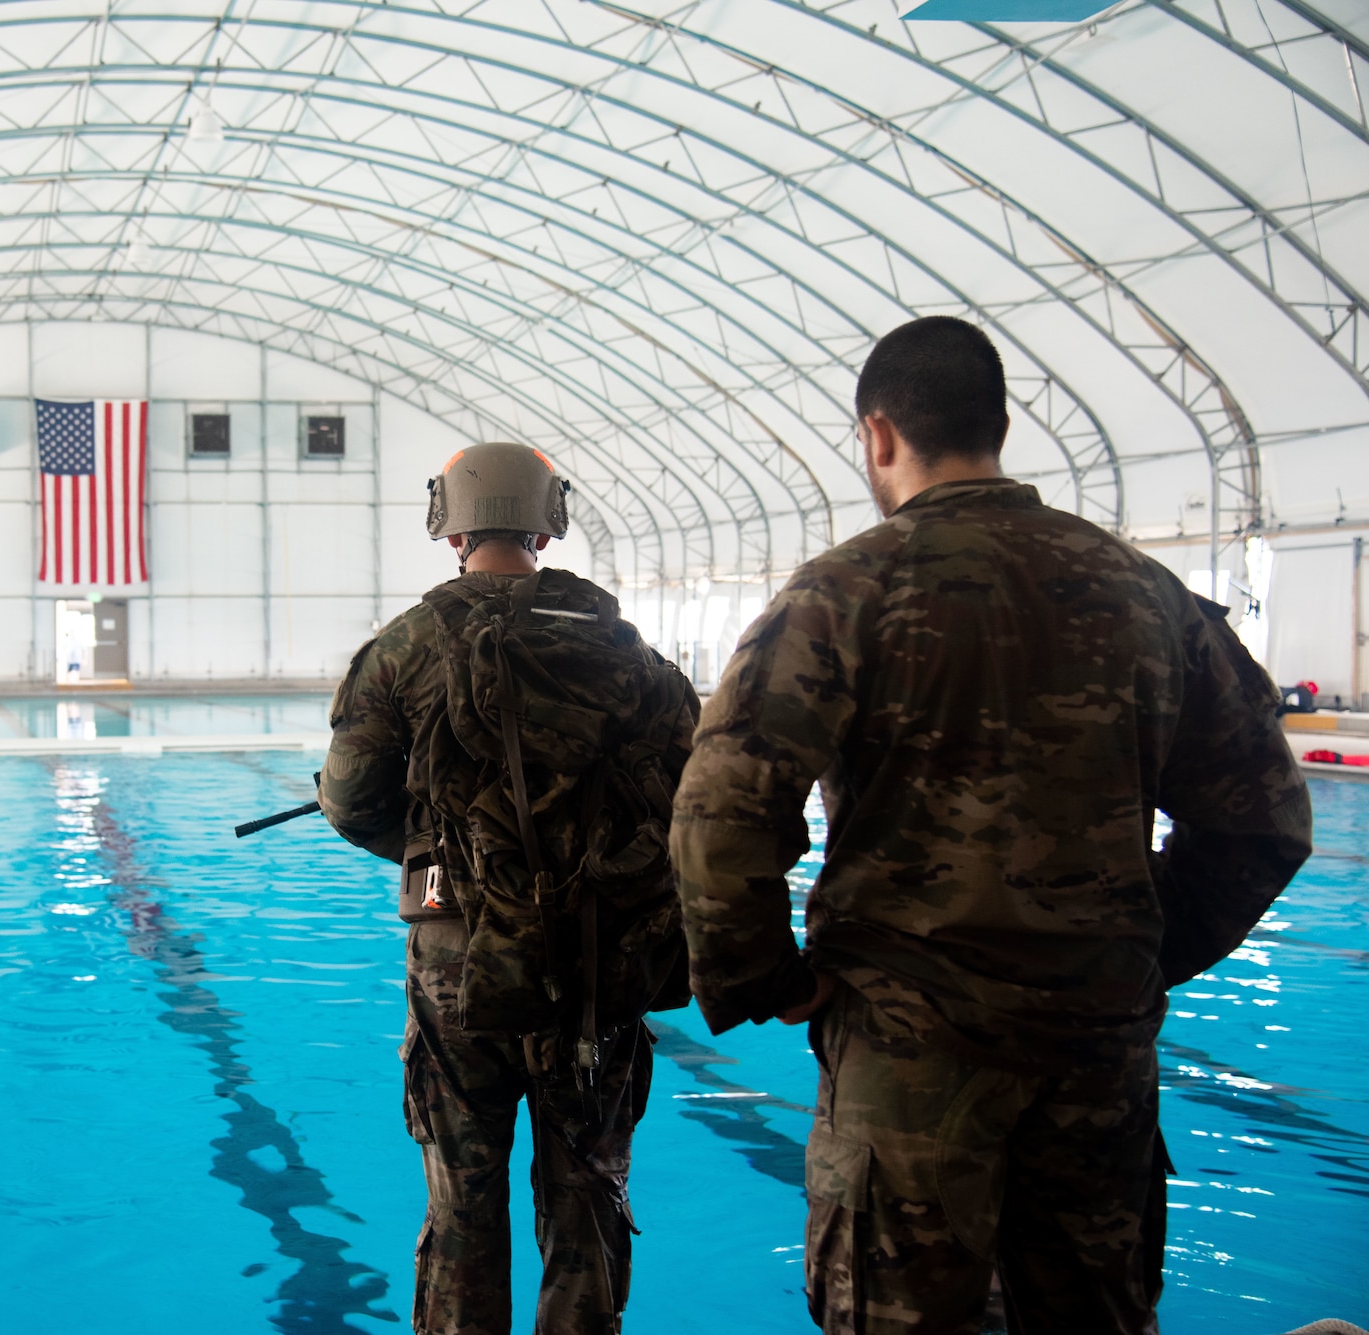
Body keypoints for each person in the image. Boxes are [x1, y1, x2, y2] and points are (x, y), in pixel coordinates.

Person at [670, 315, 1313, 1334]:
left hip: (906, 1056)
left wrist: (768, 982)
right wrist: (1131, 952)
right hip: (1093, 1058)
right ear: (999, 426)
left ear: (877, 435)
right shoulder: (1147, 596)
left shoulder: (843, 593)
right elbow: (1263, 824)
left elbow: (717, 819)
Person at [319, 442, 699, 1335]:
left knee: (463, 1205)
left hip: (459, 964)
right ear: (546, 522)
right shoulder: (626, 651)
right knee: (586, 1200)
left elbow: (347, 802)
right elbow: (691, 794)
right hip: (594, 963)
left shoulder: (404, 648)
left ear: (447, 524)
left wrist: (444, 853)